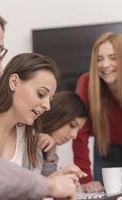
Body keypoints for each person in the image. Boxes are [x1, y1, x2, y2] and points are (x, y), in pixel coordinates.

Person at [0, 5, 86, 200]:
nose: (47, 106)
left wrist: (52, 181)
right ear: (14, 82)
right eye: (41, 94)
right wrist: (48, 185)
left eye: (49, 99)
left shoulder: (26, 137)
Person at [72, 32, 122, 193]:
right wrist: (85, 178)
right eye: (99, 59)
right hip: (106, 149)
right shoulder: (86, 83)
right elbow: (80, 132)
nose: (105, 65)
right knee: (106, 194)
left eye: (113, 57)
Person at [36, 90, 87, 176]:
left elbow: (48, 184)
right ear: (56, 114)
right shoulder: (28, 136)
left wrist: (50, 156)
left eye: (78, 130)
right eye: (72, 125)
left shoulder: (48, 145)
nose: (74, 136)